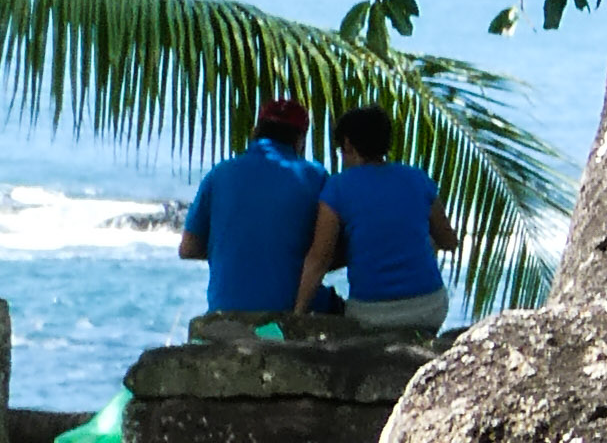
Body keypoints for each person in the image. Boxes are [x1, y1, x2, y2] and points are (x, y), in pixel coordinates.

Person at [295, 103, 455, 337]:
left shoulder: (338, 187)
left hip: (372, 315)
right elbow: (449, 240)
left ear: (348, 144)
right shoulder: (417, 179)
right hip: (429, 307)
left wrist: (297, 313)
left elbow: (320, 259)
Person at [179, 99, 325, 334]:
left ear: (255, 131)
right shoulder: (314, 176)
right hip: (284, 313)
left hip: (225, 311)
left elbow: (188, 248)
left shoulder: (220, 173)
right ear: (300, 139)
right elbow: (327, 251)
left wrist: (235, 248)